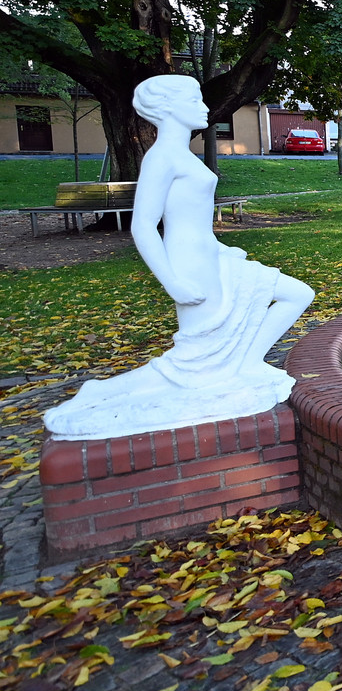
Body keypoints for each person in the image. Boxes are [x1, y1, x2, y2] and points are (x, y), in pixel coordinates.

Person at [42, 75, 315, 440]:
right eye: (196, 100)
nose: (205, 107)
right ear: (170, 108)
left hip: (212, 257)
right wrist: (172, 282)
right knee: (195, 360)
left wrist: (222, 249)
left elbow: (193, 218)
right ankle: (101, 392)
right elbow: (143, 227)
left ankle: (246, 364)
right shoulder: (162, 157)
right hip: (190, 265)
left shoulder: (179, 155)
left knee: (297, 294)